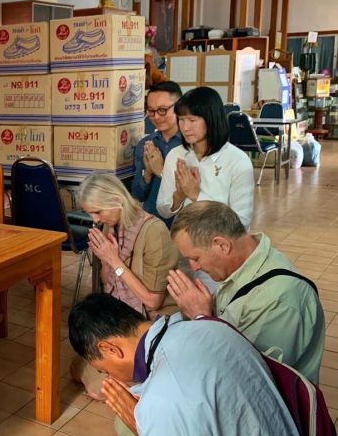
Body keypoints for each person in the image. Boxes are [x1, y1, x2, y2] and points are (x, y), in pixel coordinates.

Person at [70, 294, 317, 436]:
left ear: (110, 349)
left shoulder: (162, 403)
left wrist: (147, 428)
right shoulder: (211, 329)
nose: (111, 378)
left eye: (104, 370)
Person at [167, 201, 324, 384]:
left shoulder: (278, 298)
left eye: (195, 258)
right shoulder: (244, 265)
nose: (194, 268)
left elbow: (247, 377)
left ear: (222, 245)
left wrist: (201, 317)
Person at [73, 174, 178, 400]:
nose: (95, 219)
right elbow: (106, 282)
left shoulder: (154, 231)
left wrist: (114, 261)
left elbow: (153, 300)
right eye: (90, 213)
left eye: (98, 212)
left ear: (117, 200)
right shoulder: (109, 226)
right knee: (80, 368)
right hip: (121, 315)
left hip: (151, 317)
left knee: (98, 388)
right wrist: (106, 259)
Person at [156, 86, 255, 228]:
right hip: (184, 241)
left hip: (222, 245)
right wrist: (179, 195)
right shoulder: (176, 155)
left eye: (192, 120)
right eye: (181, 120)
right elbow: (163, 210)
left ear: (211, 119)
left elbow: (241, 224)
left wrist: (196, 195)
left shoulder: (238, 161)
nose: (185, 127)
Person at [131, 81, 183, 226]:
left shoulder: (191, 144)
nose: (156, 117)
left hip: (182, 225)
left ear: (179, 106)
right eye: (151, 111)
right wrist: (147, 173)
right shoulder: (145, 144)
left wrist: (161, 170)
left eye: (162, 110)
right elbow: (137, 195)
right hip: (151, 224)